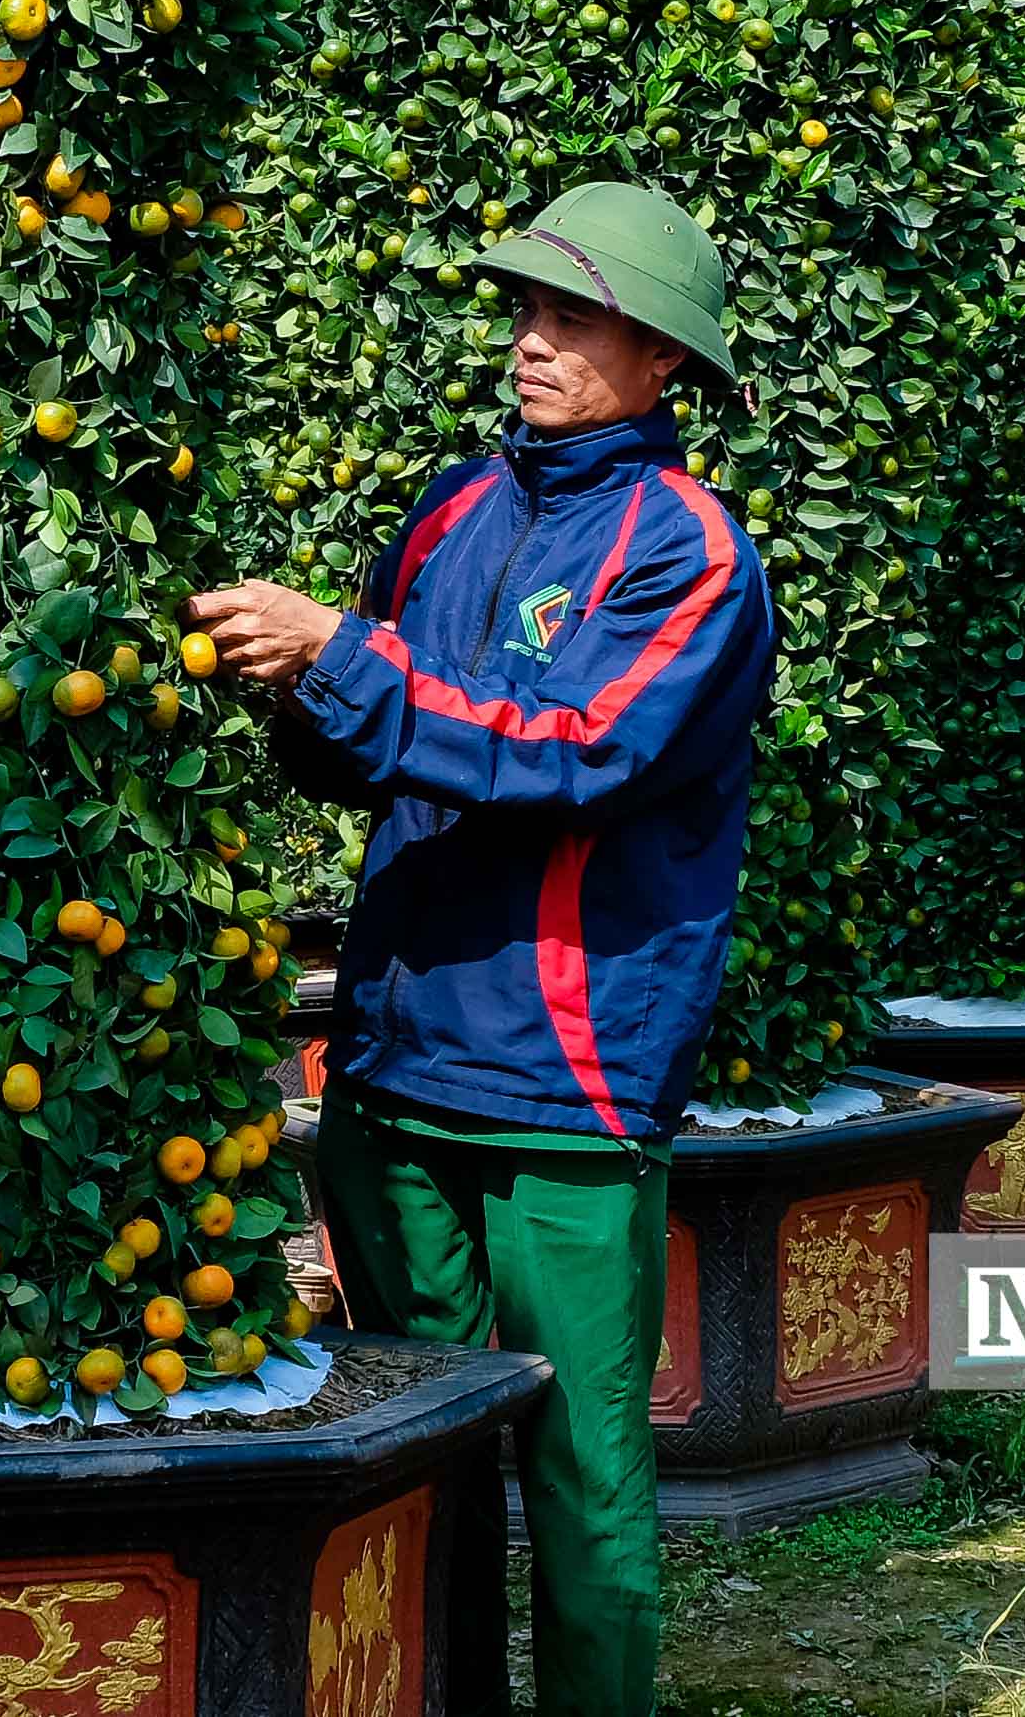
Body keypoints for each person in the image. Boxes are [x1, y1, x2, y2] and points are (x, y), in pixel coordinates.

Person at [185, 180, 775, 1717]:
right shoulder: (452, 508)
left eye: (573, 316)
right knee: (416, 1470)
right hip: (396, 1063)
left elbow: (576, 750)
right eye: (525, 308)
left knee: (583, 1476)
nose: (532, 339)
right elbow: (375, 750)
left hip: (567, 1089)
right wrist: (289, 682)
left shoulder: (692, 552)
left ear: (664, 362)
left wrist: (347, 654)